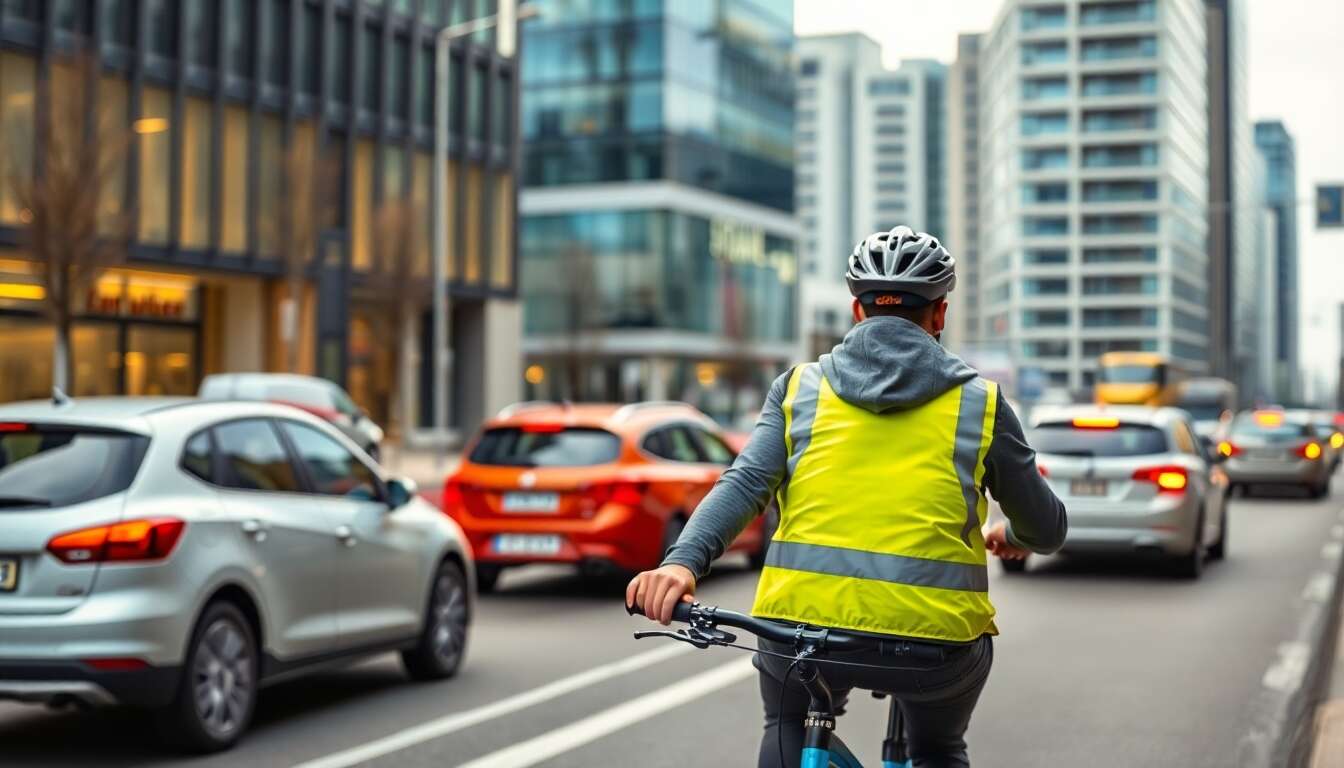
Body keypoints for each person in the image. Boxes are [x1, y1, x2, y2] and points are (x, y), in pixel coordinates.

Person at [627, 226, 1067, 768]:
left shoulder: (798, 390)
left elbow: (743, 484)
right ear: (940, 315)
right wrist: (1013, 536)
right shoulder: (980, 404)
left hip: (797, 636)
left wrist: (680, 565)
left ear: (856, 311)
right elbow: (1046, 530)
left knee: (787, 722)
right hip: (933, 652)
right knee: (938, 747)